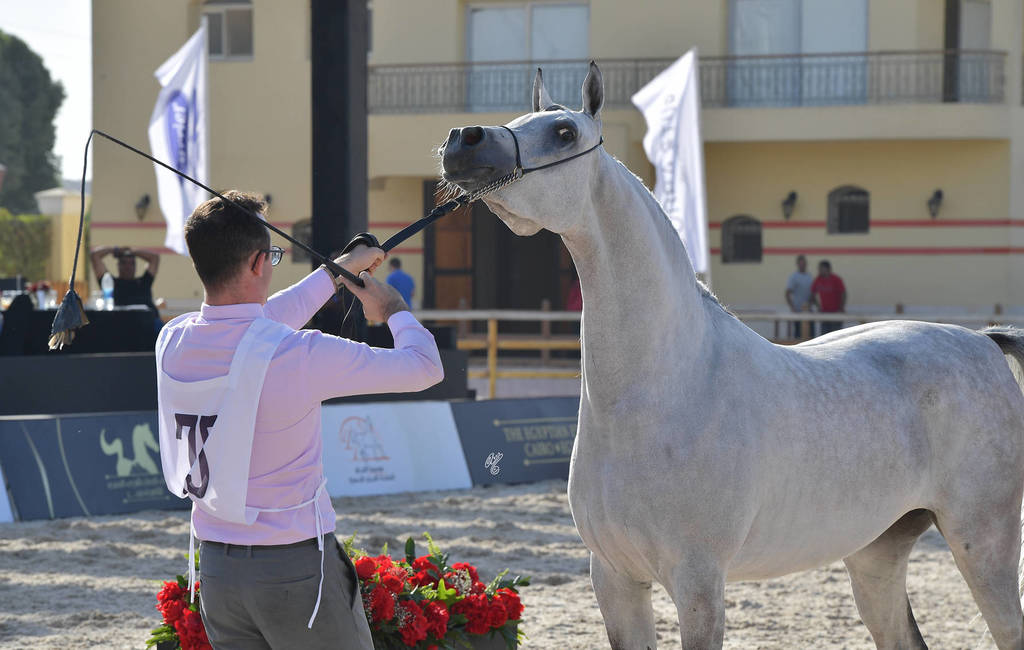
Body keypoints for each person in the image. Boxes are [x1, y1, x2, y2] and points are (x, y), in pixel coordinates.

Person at [155, 191, 443, 649]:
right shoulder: (298, 353)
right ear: (256, 264)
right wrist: (392, 310)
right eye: (269, 255)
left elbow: (256, 320)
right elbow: (425, 367)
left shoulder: (172, 339)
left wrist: (335, 272)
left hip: (216, 572)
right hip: (293, 570)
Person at [90, 245, 161, 312]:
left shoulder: (144, 282)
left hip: (148, 321)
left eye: (131, 263)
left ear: (135, 266)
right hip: (118, 321)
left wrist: (132, 251)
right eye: (124, 263)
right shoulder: (109, 283)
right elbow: (95, 255)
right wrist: (115, 250)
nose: (128, 267)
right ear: (118, 265)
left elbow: (154, 258)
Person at [811, 259, 847, 336]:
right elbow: (812, 294)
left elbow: (843, 293)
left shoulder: (836, 279)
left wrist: (841, 308)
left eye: (821, 268)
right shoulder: (818, 280)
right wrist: (818, 307)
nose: (819, 270)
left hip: (836, 313)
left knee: (836, 337)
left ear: (827, 269)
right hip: (824, 313)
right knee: (824, 336)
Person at [784, 254, 813, 338]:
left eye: (804, 263)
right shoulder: (794, 277)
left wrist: (813, 305)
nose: (802, 265)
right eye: (800, 263)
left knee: (810, 336)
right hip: (798, 311)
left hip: (808, 312)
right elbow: (787, 293)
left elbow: (812, 293)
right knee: (798, 335)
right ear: (797, 264)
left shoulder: (809, 276)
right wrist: (792, 307)